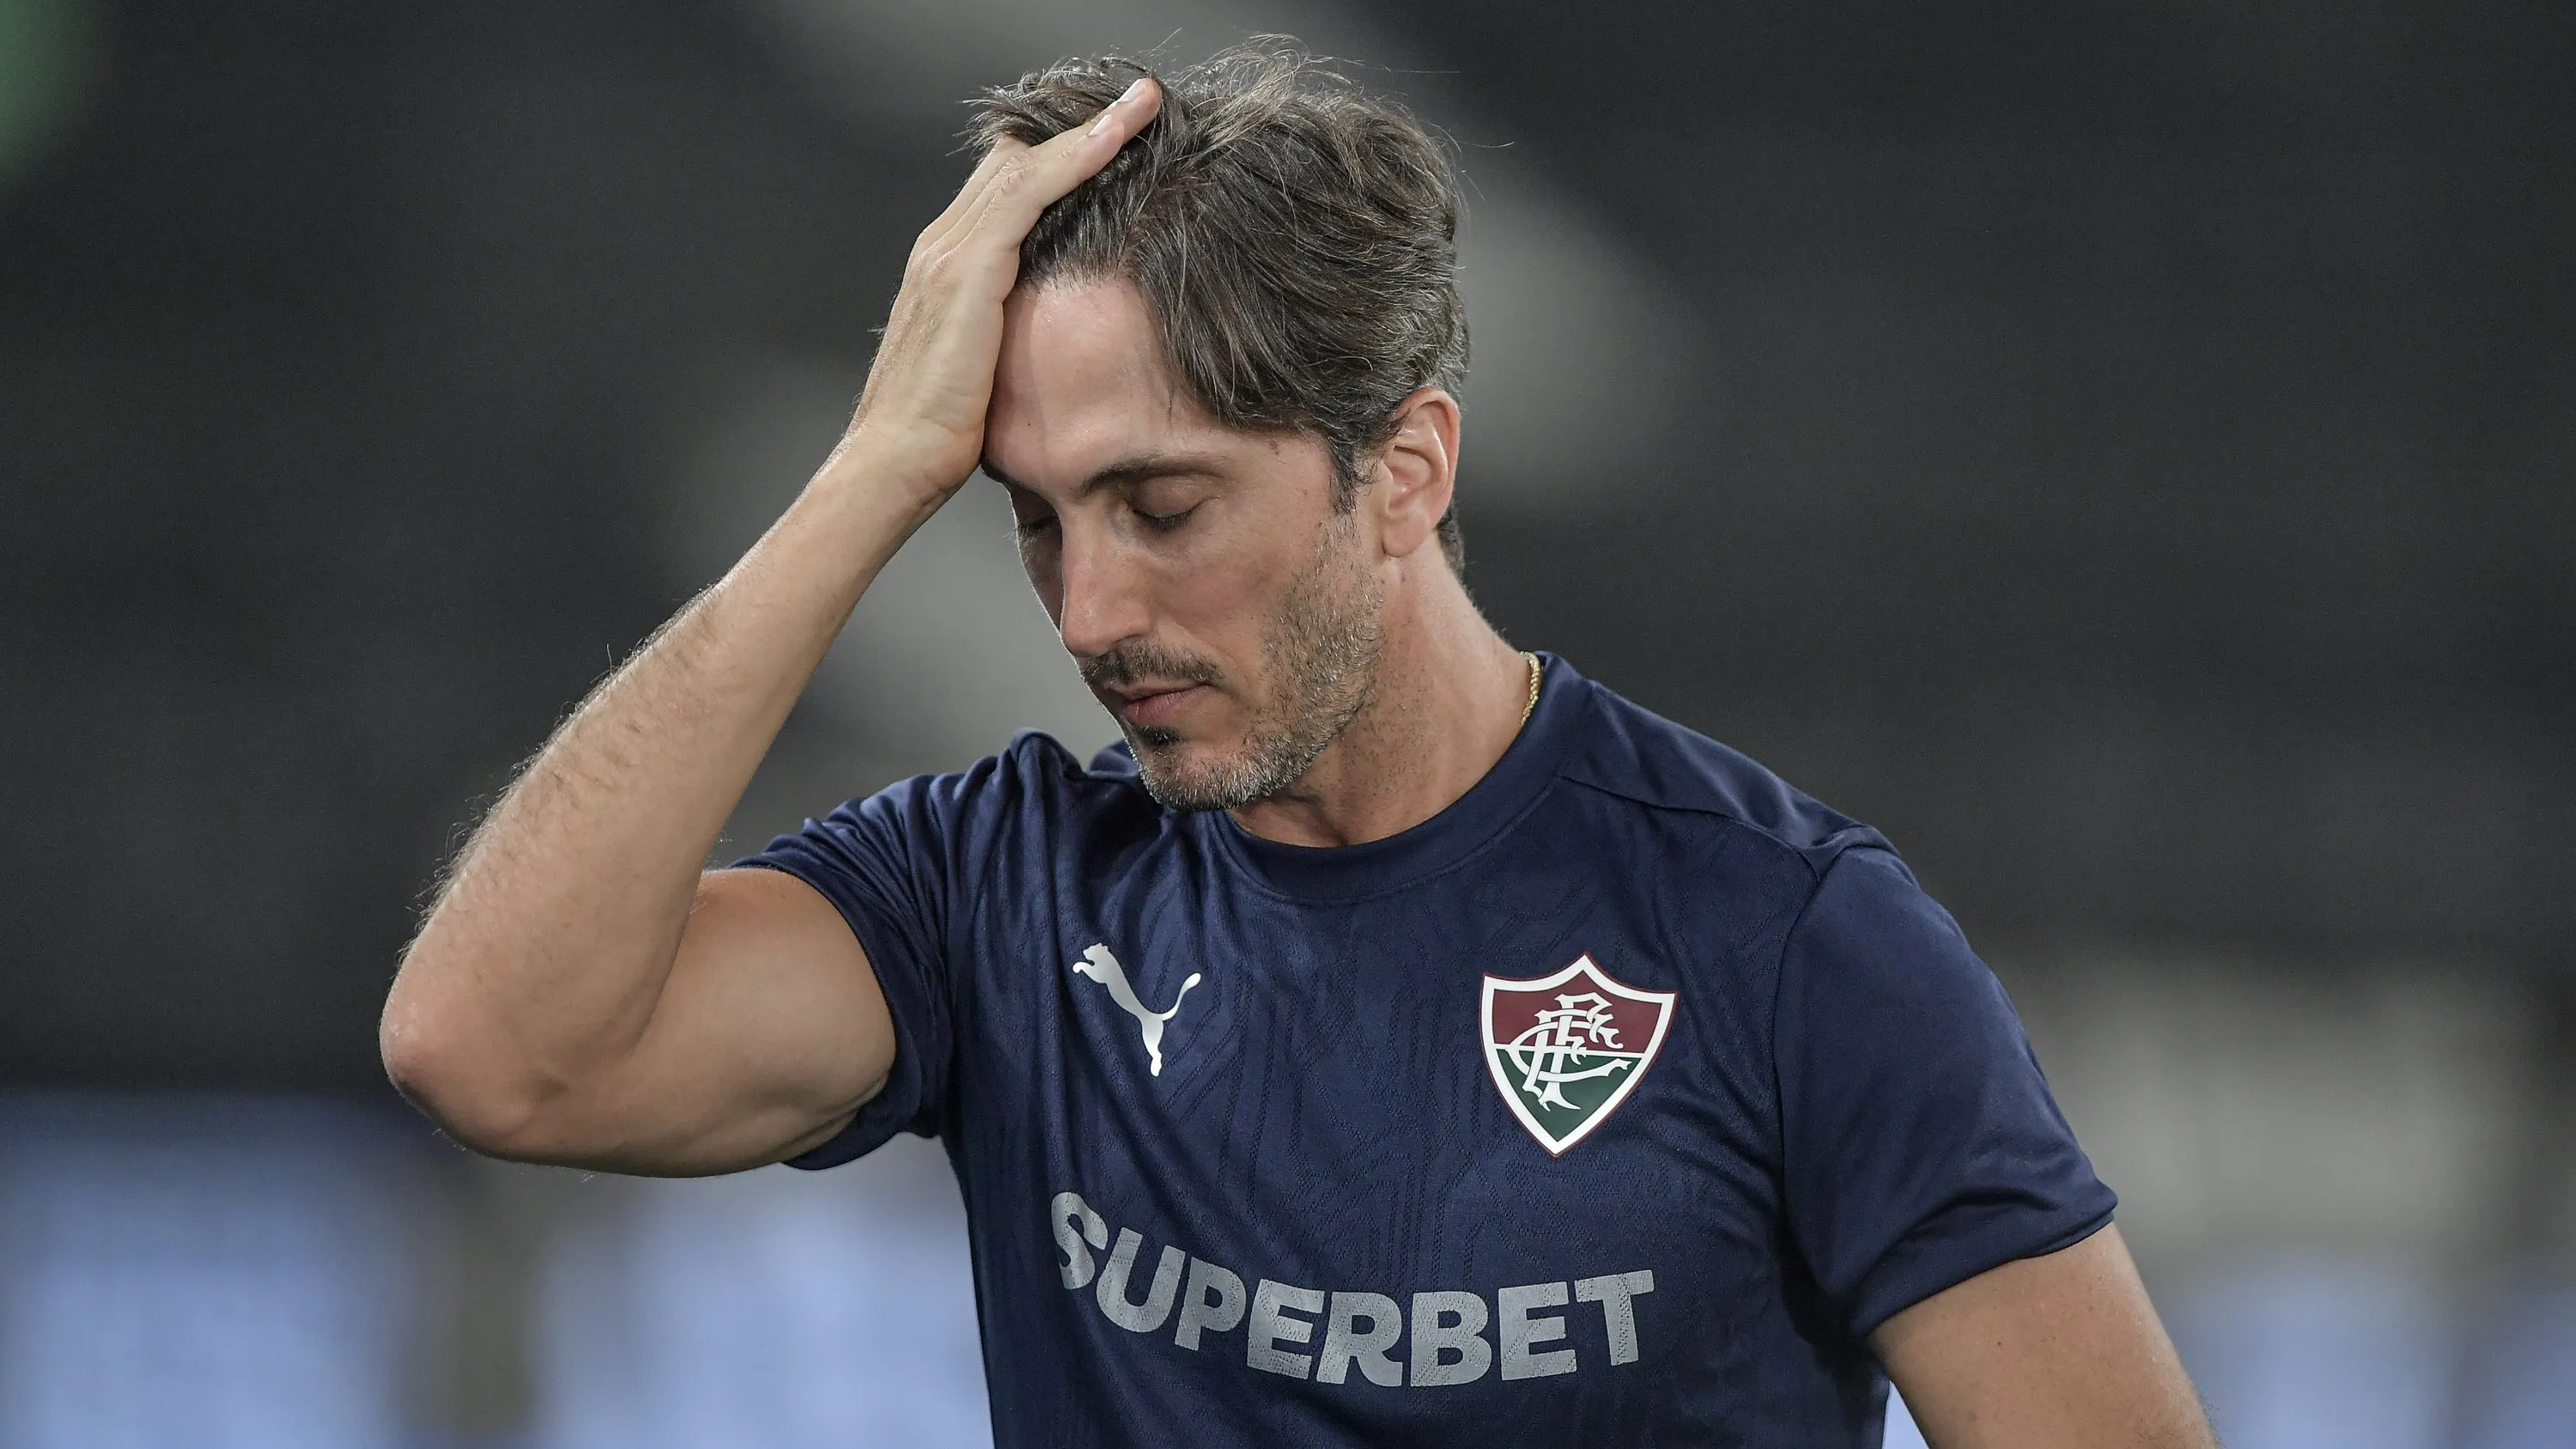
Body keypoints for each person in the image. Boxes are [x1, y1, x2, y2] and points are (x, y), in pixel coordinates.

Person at [382, 41, 2218, 1448]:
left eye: (1162, 506)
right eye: (1032, 517)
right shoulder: (997, 898)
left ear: (1403, 472)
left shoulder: (1785, 935)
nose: (1088, 610)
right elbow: (494, 1049)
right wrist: (875, 474)